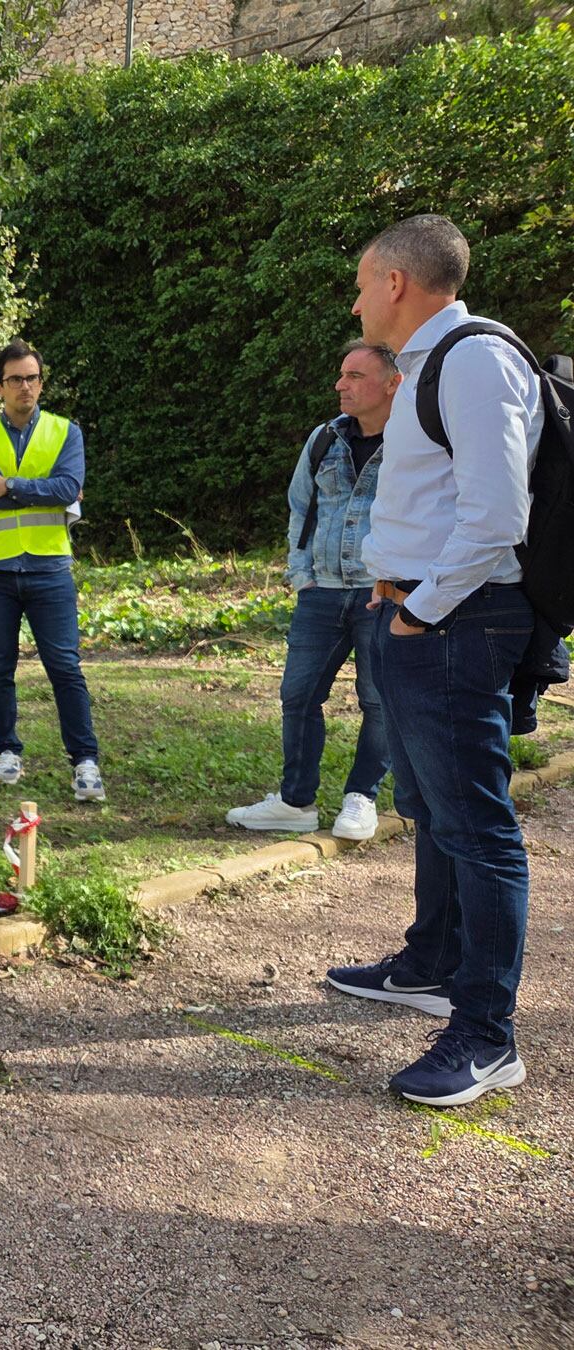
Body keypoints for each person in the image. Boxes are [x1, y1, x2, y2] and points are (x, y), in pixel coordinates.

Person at [328, 214, 543, 1107]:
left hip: (452, 623)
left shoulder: (473, 362)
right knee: (433, 809)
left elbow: (497, 518)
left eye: (361, 280)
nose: (354, 298)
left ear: (397, 285)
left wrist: (419, 610)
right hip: (417, 619)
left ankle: (487, 1036)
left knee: (480, 830)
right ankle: (430, 963)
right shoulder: (430, 367)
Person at [227, 342, 399, 841]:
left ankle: (361, 798)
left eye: (354, 375)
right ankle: (295, 802)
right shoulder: (324, 438)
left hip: (380, 593)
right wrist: (301, 573)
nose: (340, 385)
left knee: (379, 700)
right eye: (340, 374)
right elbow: (300, 507)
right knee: (298, 696)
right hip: (321, 590)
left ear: (392, 382)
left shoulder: (414, 443)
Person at [0, 341, 105, 802]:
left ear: (41, 382)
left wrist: (11, 484)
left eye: (31, 378)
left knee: (64, 665)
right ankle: (7, 751)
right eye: (14, 379)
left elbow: (69, 486)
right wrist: (31, 491)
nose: (24, 387)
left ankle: (85, 761)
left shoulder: (67, 433)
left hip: (48, 567)